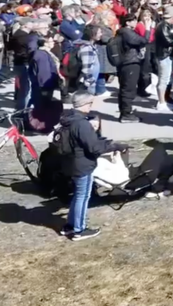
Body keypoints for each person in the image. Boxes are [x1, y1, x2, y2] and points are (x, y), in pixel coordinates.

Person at [58, 92, 126, 241]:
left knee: (78, 195)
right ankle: (79, 230)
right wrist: (114, 146)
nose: (91, 107)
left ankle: (70, 225)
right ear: (84, 104)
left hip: (71, 163)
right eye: (90, 103)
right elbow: (94, 148)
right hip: (83, 165)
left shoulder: (68, 119)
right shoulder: (81, 124)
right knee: (83, 197)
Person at [116, 13, 149, 123]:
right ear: (127, 22)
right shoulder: (126, 32)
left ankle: (125, 112)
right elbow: (143, 40)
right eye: (133, 21)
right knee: (128, 89)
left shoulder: (124, 32)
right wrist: (147, 29)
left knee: (125, 88)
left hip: (127, 62)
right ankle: (126, 114)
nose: (136, 23)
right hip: (129, 62)